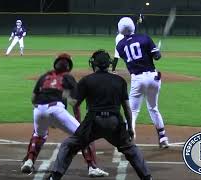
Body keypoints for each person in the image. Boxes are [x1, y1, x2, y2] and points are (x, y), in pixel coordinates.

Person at [47, 50, 152, 180]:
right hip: (115, 122)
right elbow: (127, 109)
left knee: (68, 145)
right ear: (109, 64)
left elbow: (74, 103)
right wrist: (130, 128)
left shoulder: (87, 80)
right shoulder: (120, 81)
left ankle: (54, 177)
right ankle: (147, 177)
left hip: (93, 123)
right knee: (131, 149)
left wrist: (64, 92)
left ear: (93, 64)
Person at [20, 53, 109, 177]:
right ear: (68, 66)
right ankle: (92, 167)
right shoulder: (68, 77)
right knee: (84, 135)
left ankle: (29, 161)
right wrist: (78, 120)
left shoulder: (45, 76)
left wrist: (45, 116)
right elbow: (75, 103)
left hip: (38, 110)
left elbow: (34, 99)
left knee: (39, 135)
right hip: (56, 109)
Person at [115, 17, 169, 148]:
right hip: (153, 78)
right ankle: (163, 138)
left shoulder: (120, 45)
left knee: (132, 111)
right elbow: (157, 57)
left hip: (137, 79)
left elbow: (133, 56)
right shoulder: (145, 38)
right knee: (153, 108)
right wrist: (156, 52)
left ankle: (129, 139)